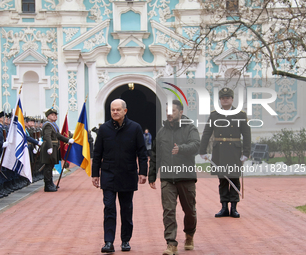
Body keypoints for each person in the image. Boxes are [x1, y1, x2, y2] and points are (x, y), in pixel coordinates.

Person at [92, 99, 148, 253]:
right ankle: (108, 242)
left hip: (128, 174)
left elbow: (142, 153)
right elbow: (97, 154)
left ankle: (125, 240)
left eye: (118, 110)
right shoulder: (104, 129)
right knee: (109, 208)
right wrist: (95, 174)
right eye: (112, 110)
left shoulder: (135, 128)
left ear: (125, 111)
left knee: (126, 209)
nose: (115, 112)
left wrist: (143, 172)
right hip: (108, 175)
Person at [148, 100, 200, 255]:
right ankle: (171, 243)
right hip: (167, 178)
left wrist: (181, 149)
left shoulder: (190, 128)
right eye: (167, 111)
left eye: (173, 111)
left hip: (186, 177)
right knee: (169, 211)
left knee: (189, 210)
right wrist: (152, 174)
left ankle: (189, 234)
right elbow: (155, 154)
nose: (169, 114)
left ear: (181, 112)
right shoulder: (162, 132)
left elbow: (196, 145)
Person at [199, 87, 251, 218]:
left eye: (227, 98)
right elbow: (206, 133)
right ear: (220, 100)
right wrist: (202, 150)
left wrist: (246, 152)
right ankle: (224, 207)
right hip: (219, 151)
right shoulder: (214, 115)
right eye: (222, 98)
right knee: (222, 180)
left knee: (233, 178)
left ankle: (234, 207)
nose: (225, 100)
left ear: (232, 99)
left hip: (234, 151)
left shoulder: (240, 114)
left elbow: (247, 135)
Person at [40, 108, 74, 192]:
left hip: (53, 147)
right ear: (48, 116)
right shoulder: (48, 125)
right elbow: (47, 136)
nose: (55, 116)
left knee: (51, 166)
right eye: (52, 115)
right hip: (49, 147)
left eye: (55, 115)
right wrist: (49, 147)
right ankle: (47, 185)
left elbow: (58, 135)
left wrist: (67, 140)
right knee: (48, 166)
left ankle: (50, 183)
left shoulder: (53, 125)